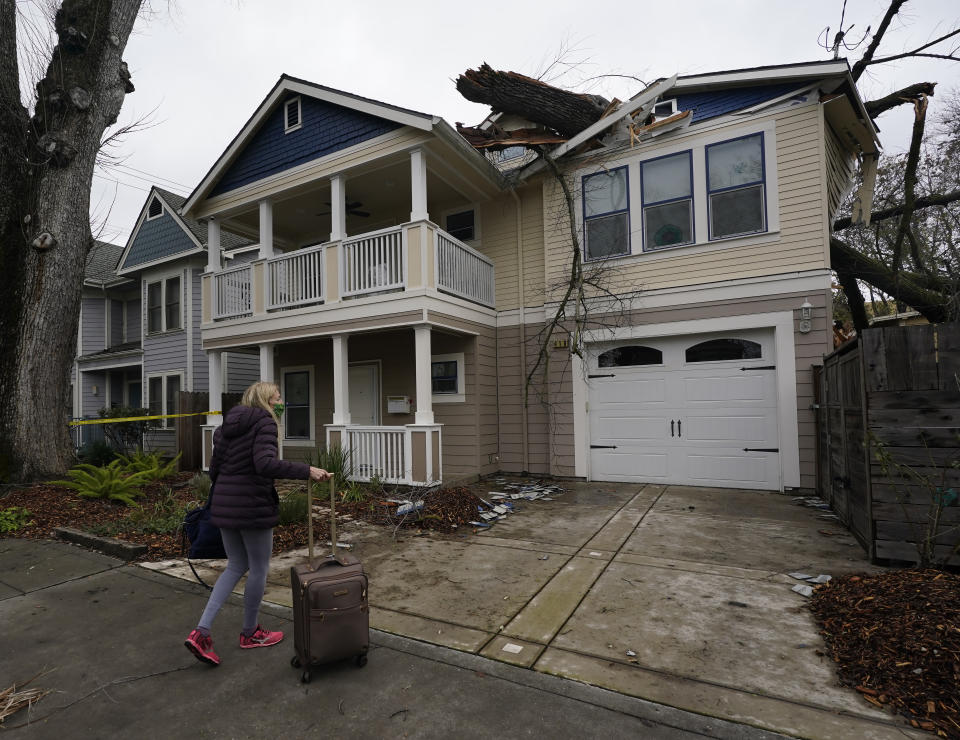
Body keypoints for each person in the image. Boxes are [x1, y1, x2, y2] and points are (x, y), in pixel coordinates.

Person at [184, 381, 331, 667]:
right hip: (251, 505)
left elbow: (214, 470)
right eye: (278, 397)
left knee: (236, 565)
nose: (281, 402)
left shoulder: (225, 427)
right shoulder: (264, 421)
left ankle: (201, 631)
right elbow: (264, 463)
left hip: (225, 506)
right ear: (266, 400)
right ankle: (250, 633)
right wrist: (307, 470)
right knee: (259, 567)